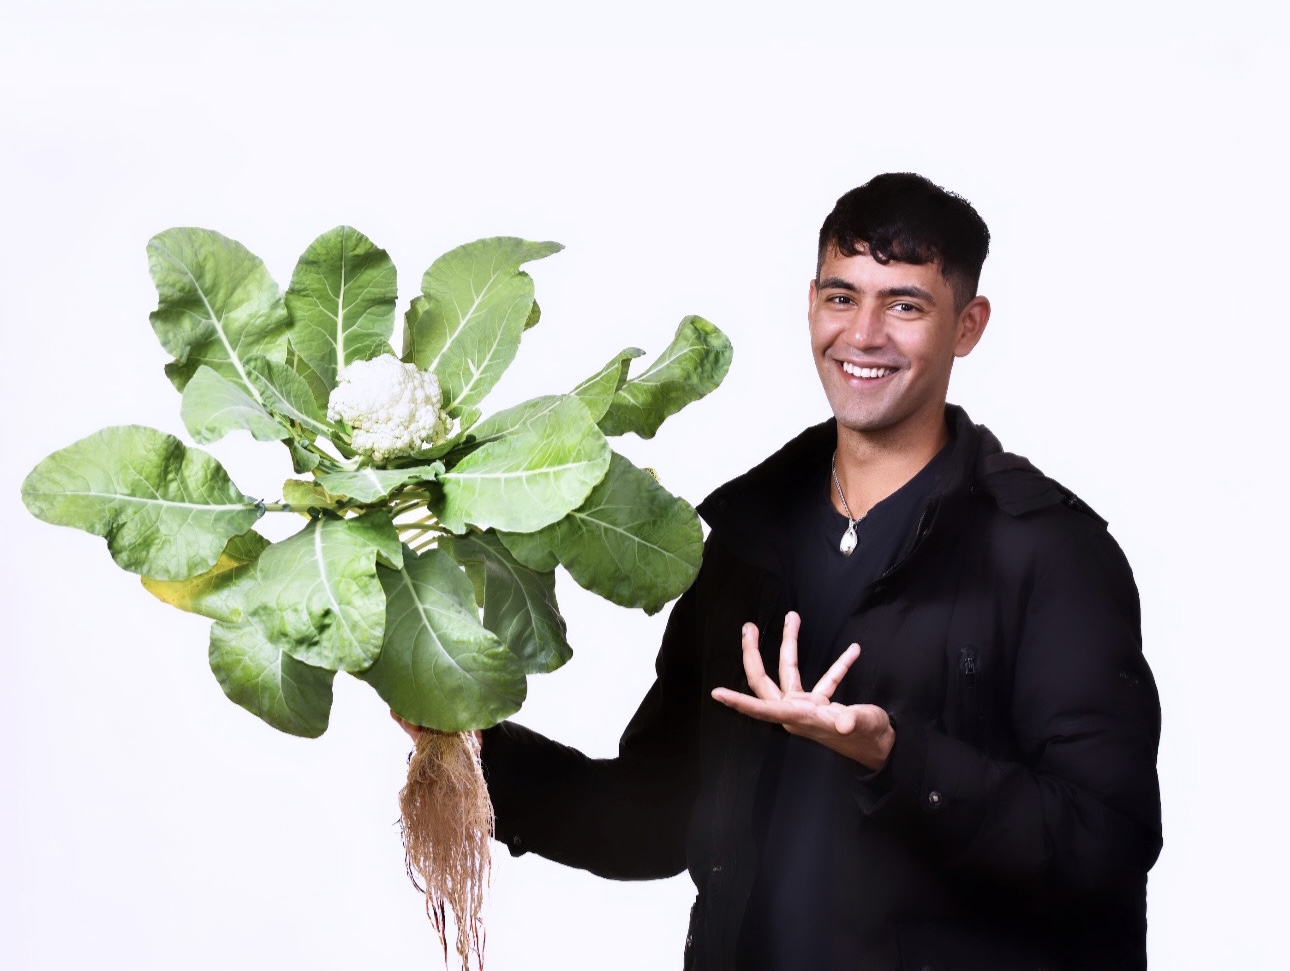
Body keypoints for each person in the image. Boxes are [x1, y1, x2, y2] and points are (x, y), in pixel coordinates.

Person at [408, 173, 1163, 970]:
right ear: (810, 305)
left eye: (904, 305)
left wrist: (895, 756)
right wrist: (473, 750)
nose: (863, 334)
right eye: (843, 298)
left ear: (967, 325)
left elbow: (1103, 843)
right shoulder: (746, 537)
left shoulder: (1047, 551)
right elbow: (659, 813)